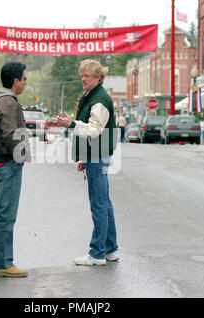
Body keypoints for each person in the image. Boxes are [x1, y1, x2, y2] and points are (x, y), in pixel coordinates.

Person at [57, 59, 119, 266]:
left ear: (98, 77)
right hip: (96, 154)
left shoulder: (99, 99)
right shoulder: (94, 95)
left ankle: (97, 253)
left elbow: (94, 130)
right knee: (105, 204)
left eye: (88, 76)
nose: (83, 79)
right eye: (82, 75)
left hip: (98, 155)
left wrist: (72, 124)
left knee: (99, 205)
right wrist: (85, 155)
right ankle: (110, 249)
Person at [0, 62, 30, 278]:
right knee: (6, 216)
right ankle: (3, 264)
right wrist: (21, 158)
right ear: (15, 81)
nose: (25, 82)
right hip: (7, 164)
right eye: (24, 78)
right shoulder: (9, 103)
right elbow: (11, 135)